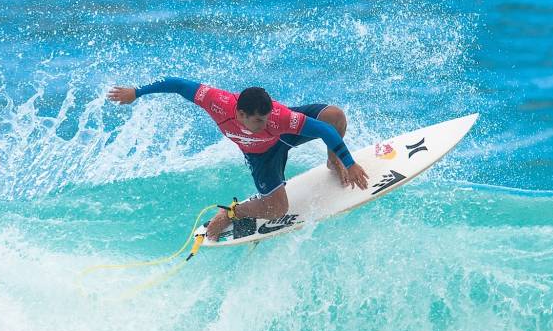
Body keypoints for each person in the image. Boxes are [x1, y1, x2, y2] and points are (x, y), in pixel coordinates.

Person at [107, 77, 369, 241]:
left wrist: (348, 162)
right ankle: (231, 212)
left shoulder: (277, 119)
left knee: (334, 117)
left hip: (284, 136)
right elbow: (177, 84)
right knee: (277, 209)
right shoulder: (216, 101)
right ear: (240, 114)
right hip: (261, 156)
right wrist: (137, 92)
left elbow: (324, 130)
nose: (264, 124)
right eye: (258, 120)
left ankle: (331, 160)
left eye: (267, 118)